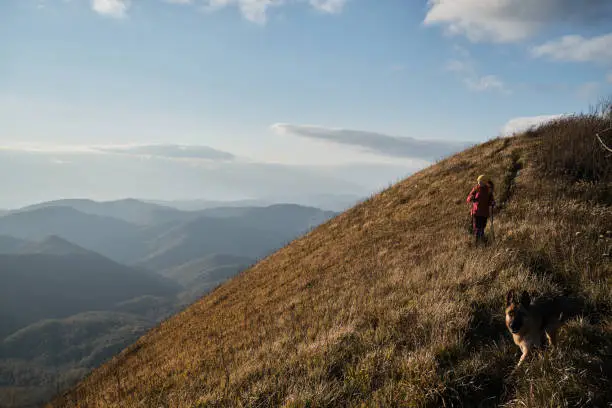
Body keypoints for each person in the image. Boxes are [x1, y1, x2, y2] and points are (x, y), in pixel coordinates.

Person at [467, 175, 496, 245]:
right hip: (476, 212)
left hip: (484, 212)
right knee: (477, 227)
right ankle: (477, 242)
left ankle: (482, 240)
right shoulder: (476, 188)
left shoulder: (488, 190)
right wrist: (471, 197)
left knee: (482, 227)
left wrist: (492, 202)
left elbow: (491, 200)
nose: (479, 183)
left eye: (481, 182)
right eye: (479, 181)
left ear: (485, 182)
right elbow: (468, 198)